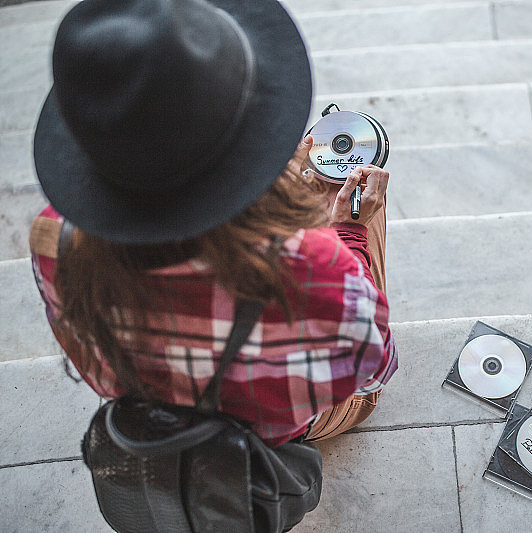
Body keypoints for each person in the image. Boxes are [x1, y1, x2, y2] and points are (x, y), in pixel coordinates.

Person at [28, 0, 397, 448]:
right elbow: (374, 369)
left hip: (150, 427)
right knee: (363, 202)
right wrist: (347, 234)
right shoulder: (314, 266)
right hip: (266, 441)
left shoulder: (53, 239)